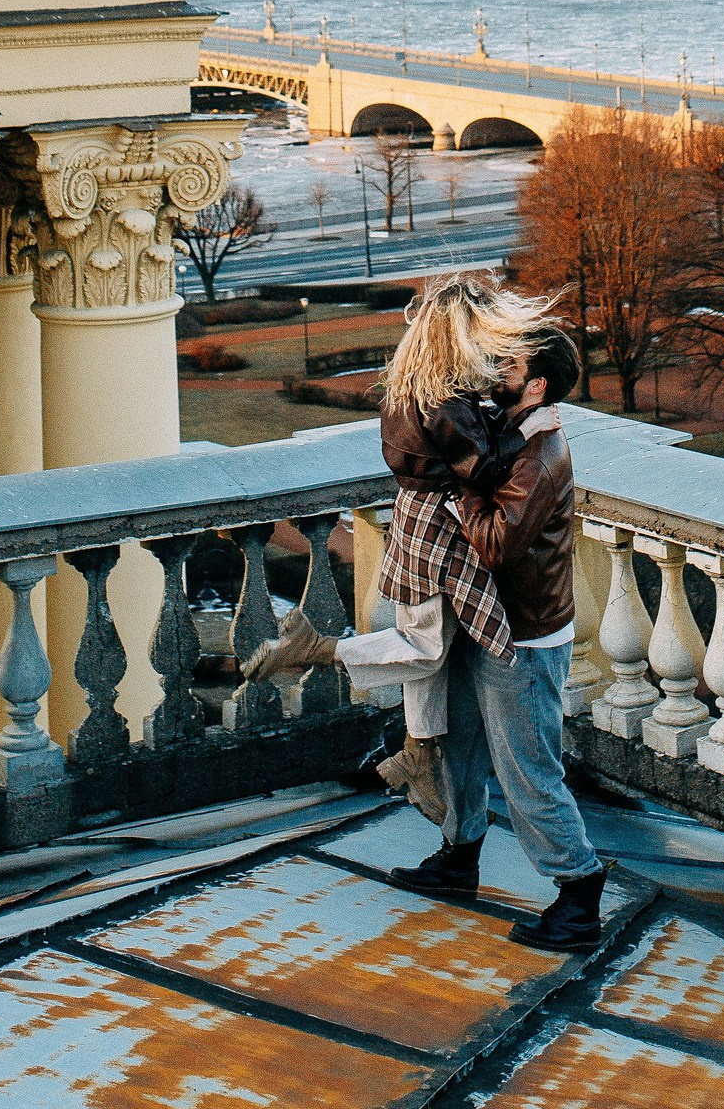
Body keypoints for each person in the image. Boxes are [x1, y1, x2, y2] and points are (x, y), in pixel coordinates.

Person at [239, 269, 561, 822]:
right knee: (426, 645)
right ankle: (318, 650)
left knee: (432, 643)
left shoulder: (416, 385)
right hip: (440, 524)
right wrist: (523, 433)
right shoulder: (445, 404)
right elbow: (483, 470)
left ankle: (420, 750)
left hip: (416, 518)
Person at [402, 323, 609, 953]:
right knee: (460, 744)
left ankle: (579, 892)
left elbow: (494, 544)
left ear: (536, 385)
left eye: (509, 363)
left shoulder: (541, 455)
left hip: (524, 638)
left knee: (527, 772)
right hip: (485, 619)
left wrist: (456, 480)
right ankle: (459, 855)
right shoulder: (509, 426)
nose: (496, 368)